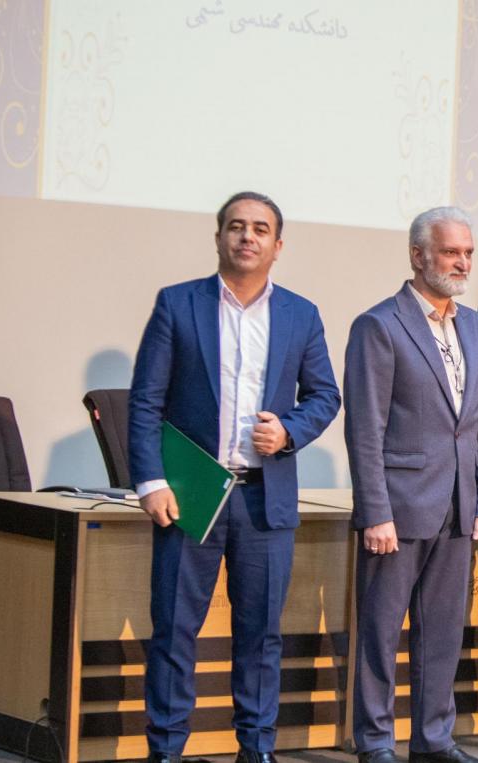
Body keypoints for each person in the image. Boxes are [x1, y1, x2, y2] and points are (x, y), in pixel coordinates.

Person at [129, 191, 341, 763]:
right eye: (237, 226)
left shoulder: (300, 314)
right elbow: (145, 401)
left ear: (278, 245)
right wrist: (151, 481)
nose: (248, 236)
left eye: (261, 229)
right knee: (175, 629)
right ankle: (166, 750)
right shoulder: (178, 304)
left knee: (261, 633)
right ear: (220, 236)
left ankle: (257, 748)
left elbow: (325, 395)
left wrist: (290, 431)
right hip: (192, 492)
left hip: (264, 498)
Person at [344, 207, 478, 763]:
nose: (463, 263)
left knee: (442, 634)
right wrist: (375, 512)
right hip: (399, 508)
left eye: (468, 253)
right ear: (418, 255)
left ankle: (433, 739)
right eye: (451, 252)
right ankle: (375, 742)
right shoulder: (379, 325)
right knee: (381, 634)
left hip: (459, 507)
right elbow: (365, 430)